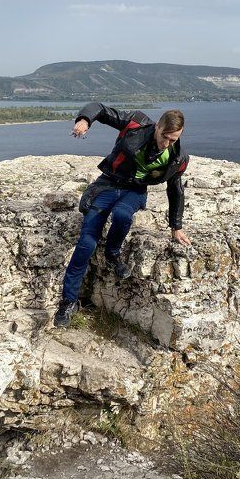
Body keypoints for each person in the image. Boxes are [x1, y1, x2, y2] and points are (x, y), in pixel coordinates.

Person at [54, 102, 191, 327]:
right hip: (108, 184)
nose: (167, 144)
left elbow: (175, 189)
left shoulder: (178, 158)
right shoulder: (136, 123)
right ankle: (68, 302)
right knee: (86, 245)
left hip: (134, 191)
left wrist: (176, 226)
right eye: (165, 137)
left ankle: (113, 253)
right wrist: (84, 120)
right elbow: (100, 109)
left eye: (173, 140)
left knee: (122, 215)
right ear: (157, 126)